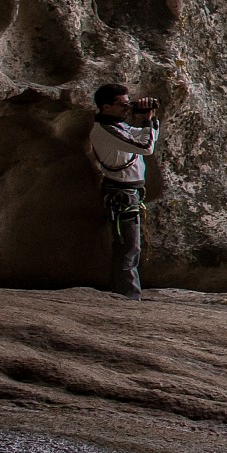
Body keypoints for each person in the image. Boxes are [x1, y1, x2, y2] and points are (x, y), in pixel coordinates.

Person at [87, 83, 160, 299]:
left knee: (131, 247)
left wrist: (149, 119)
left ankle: (127, 293)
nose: (127, 108)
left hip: (130, 192)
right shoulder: (105, 131)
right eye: (122, 105)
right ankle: (128, 296)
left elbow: (145, 137)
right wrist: (147, 120)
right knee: (128, 247)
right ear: (106, 107)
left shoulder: (118, 126)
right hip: (122, 193)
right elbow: (146, 147)